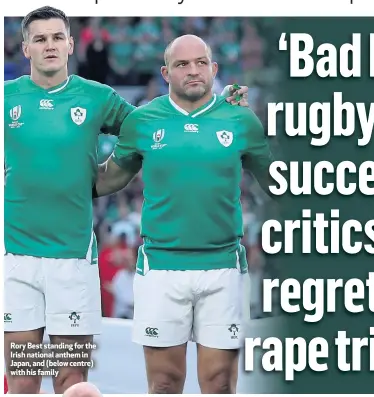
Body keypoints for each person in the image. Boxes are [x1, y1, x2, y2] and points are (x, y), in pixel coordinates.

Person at [4, 7, 250, 394]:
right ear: (25, 48)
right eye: (40, 39)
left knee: (70, 380)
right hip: (17, 257)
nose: (49, 45)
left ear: (70, 44)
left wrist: (222, 113)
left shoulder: (96, 97)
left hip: (72, 260)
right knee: (22, 380)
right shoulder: (7, 98)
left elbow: (156, 130)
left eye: (56, 37)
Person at [94, 34, 273, 394]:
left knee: (220, 383)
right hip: (161, 266)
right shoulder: (143, 120)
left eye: (200, 63)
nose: (193, 71)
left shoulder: (241, 121)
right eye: (182, 64)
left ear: (214, 69)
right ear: (165, 72)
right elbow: (108, 178)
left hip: (223, 266)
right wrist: (50, 175)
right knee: (164, 383)